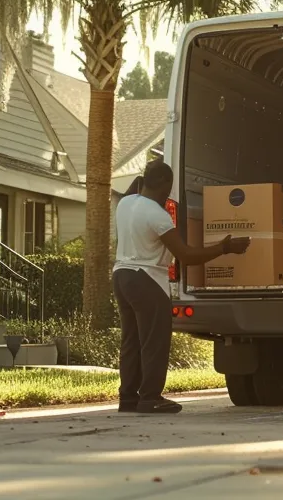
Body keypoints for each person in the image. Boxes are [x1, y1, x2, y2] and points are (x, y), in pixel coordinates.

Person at [113, 161, 248, 414]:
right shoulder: (157, 215)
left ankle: (128, 398)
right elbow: (186, 255)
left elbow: (135, 188)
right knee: (154, 342)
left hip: (121, 276)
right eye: (169, 185)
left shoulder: (125, 203)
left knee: (130, 341)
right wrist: (225, 248)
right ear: (165, 183)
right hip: (147, 279)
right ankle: (150, 398)